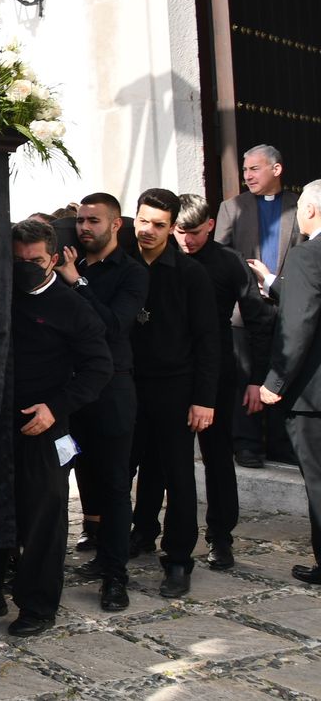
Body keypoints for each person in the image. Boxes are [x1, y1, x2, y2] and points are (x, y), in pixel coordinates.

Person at [0, 220, 110, 636]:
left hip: (44, 429)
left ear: (53, 259)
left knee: (43, 521)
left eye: (34, 261)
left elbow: (98, 368)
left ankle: (38, 608)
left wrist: (55, 409)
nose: (25, 268)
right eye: (17, 260)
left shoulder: (72, 307)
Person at [144, 194, 274, 571]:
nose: (187, 240)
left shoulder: (228, 262)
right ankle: (145, 529)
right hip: (166, 372)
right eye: (180, 232)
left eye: (195, 233)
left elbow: (258, 320)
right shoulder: (158, 258)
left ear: (210, 226)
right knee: (158, 456)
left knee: (217, 457)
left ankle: (220, 536)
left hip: (215, 373)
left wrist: (257, 379)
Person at [57, 192, 148, 610]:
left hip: (112, 391)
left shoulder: (131, 273)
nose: (84, 227)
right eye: (80, 220)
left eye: (93, 220)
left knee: (113, 485)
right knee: (60, 480)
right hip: (67, 391)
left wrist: (77, 282)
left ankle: (115, 576)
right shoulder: (65, 263)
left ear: (116, 225)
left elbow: (112, 325)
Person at [127, 189, 219, 598]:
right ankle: (134, 535)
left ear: (171, 228)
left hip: (176, 388)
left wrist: (204, 399)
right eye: (143, 221)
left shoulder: (190, 274)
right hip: (128, 384)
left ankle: (179, 559)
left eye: (158, 225)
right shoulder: (122, 263)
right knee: (127, 468)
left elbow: (208, 340)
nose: (148, 231)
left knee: (179, 476)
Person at [216, 143, 302, 468]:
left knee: (285, 373)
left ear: (276, 170)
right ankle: (247, 445)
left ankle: (281, 445)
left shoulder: (299, 206)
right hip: (244, 310)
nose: (247, 176)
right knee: (245, 375)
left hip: (287, 304)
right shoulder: (232, 207)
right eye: (245, 170)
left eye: (254, 169)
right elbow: (220, 254)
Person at [259, 179, 321, 584]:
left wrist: (274, 382)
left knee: (319, 482)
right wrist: (274, 284)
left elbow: (298, 324)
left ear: (310, 210)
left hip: (314, 396)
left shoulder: (305, 255)